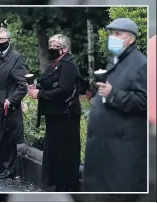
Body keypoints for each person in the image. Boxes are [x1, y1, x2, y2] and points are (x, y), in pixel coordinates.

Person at [82, 18, 147, 192]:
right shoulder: (116, 59)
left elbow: (145, 102)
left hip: (122, 150)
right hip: (107, 147)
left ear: (131, 39)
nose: (113, 37)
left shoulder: (141, 64)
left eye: (118, 33)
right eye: (111, 33)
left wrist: (113, 94)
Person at [28, 34, 81, 191]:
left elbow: (64, 90)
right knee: (55, 152)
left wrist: (41, 94)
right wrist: (36, 89)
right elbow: (50, 85)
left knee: (65, 152)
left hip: (65, 116)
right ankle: (58, 184)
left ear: (65, 48)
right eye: (50, 45)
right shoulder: (55, 64)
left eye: (55, 46)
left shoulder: (69, 65)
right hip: (55, 116)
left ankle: (65, 186)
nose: (51, 48)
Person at [0, 28, 27, 179]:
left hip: (6, 106)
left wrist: (11, 99)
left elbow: (22, 85)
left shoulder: (15, 58)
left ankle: (9, 170)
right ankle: (2, 168)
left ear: (8, 40)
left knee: (7, 139)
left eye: (2, 39)